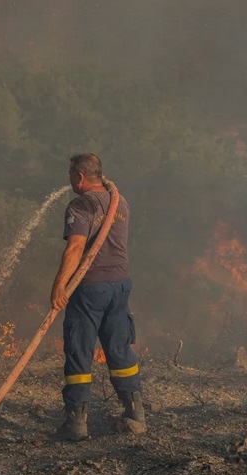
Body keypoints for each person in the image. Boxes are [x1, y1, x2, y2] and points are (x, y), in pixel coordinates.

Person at [51, 153, 145, 441]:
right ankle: (135, 413)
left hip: (89, 288)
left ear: (79, 177)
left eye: (71, 176)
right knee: (119, 349)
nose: (69, 182)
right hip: (120, 286)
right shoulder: (120, 201)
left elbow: (76, 248)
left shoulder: (80, 204)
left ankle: (76, 424)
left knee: (79, 351)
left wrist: (59, 285)